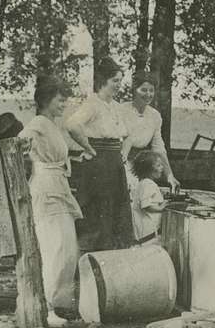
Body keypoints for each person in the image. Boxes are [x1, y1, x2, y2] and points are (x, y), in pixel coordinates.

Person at [19, 75, 81, 327]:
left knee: (68, 246)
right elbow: (23, 138)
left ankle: (60, 304)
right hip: (45, 186)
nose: (64, 104)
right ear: (46, 100)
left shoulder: (52, 125)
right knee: (53, 246)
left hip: (58, 184)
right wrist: (24, 148)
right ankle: (46, 307)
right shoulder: (39, 122)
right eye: (59, 99)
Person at [65, 57, 133, 250]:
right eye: (115, 81)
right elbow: (72, 125)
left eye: (120, 80)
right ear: (103, 80)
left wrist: (123, 154)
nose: (119, 85)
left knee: (114, 211)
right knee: (98, 210)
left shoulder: (115, 106)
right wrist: (88, 148)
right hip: (99, 163)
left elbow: (127, 134)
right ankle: (90, 257)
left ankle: (110, 258)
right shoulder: (93, 104)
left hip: (114, 162)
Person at [122, 71, 180, 191]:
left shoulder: (155, 116)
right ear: (134, 90)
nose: (148, 94)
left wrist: (169, 175)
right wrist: (125, 176)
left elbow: (159, 149)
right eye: (143, 90)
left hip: (140, 167)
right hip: (119, 163)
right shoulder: (121, 111)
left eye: (151, 90)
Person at [130, 150, 167, 245]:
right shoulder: (148, 184)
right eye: (158, 165)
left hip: (143, 230)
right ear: (148, 169)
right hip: (148, 231)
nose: (162, 168)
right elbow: (145, 205)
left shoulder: (143, 183)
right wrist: (161, 208)